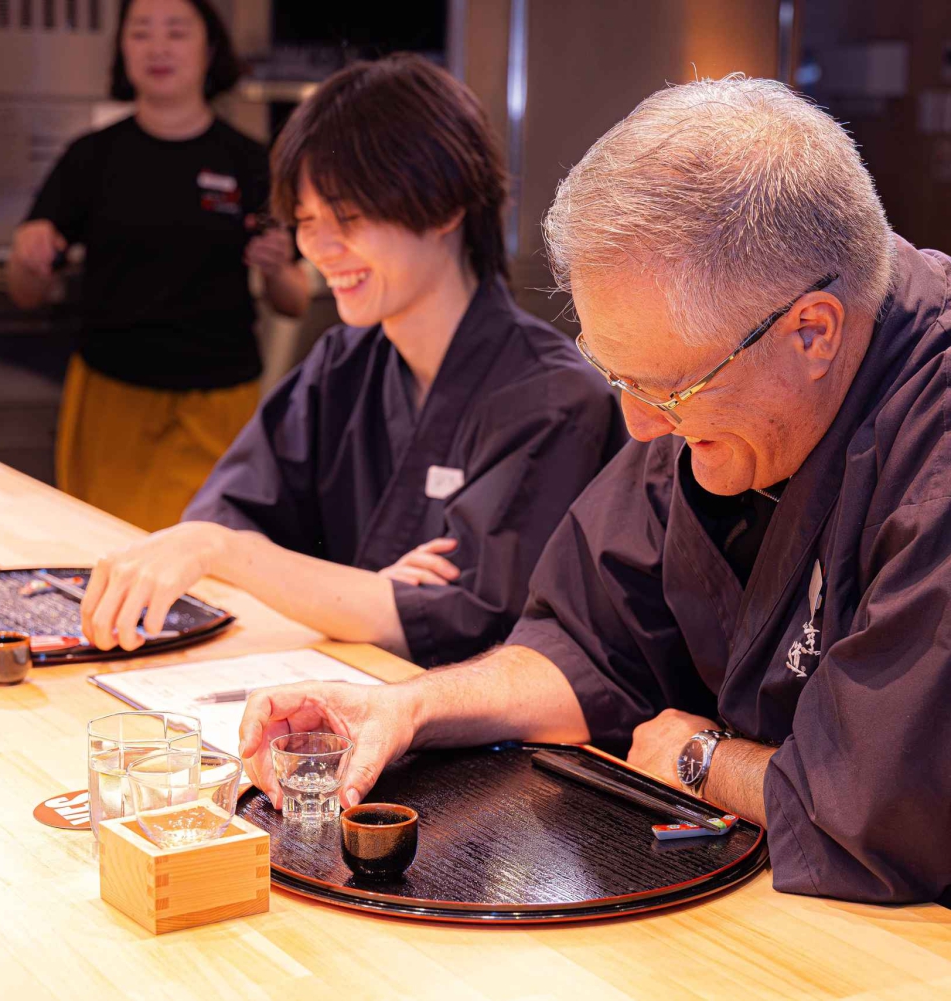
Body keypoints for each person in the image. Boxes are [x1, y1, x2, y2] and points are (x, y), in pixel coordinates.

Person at [236, 76, 951, 972]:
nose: (643, 426)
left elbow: (881, 811)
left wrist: (698, 755)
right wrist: (405, 709)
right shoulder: (720, 374)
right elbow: (587, 643)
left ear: (813, 330)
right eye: (621, 381)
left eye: (665, 389)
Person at [79, 55, 625, 666]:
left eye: (350, 216)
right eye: (307, 221)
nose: (321, 247)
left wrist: (258, 563)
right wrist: (364, 594)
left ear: (444, 206)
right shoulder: (343, 361)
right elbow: (232, 512)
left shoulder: (553, 396)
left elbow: (462, 621)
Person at [9, 0, 308, 531]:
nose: (158, 47)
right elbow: (25, 292)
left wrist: (277, 268)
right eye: (141, 33)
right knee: (105, 552)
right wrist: (28, 258)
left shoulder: (249, 161)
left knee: (206, 561)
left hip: (218, 401)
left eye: (176, 31)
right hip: (110, 400)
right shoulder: (91, 157)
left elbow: (293, 299)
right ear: (123, 50)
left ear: (208, 49)